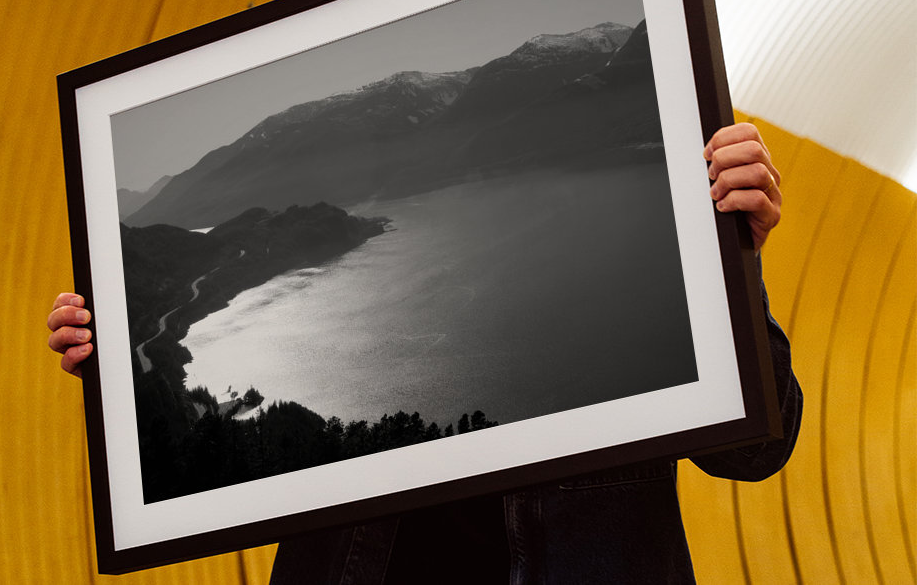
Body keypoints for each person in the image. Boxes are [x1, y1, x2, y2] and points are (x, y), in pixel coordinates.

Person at [48, 123, 802, 583]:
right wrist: (122, 370)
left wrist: (734, 257)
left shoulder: (664, 247)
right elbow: (206, 460)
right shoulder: (339, 396)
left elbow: (757, 450)